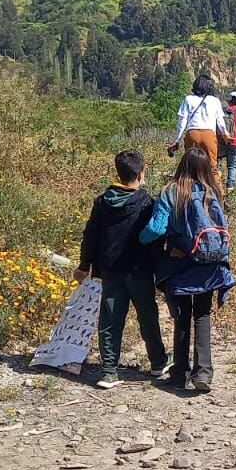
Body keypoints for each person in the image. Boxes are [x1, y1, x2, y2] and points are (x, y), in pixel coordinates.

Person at [140, 147, 236, 393]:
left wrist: (138, 239)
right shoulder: (212, 191)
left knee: (181, 317)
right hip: (208, 264)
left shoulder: (171, 192)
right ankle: (203, 372)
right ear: (205, 168)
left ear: (182, 164)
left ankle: (180, 373)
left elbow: (156, 229)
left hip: (179, 262)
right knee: (202, 314)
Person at [73, 150, 168, 389]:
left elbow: (90, 236)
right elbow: (156, 238)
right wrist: (162, 271)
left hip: (110, 270)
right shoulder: (146, 202)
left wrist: (84, 265)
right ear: (140, 173)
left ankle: (109, 372)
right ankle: (157, 362)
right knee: (148, 316)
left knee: (110, 320)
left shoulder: (102, 201)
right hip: (140, 271)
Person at [168, 73, 229, 168]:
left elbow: (182, 122)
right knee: (212, 166)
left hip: (192, 134)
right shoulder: (215, 101)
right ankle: (213, 182)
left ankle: (190, 182)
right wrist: (226, 135)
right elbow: (220, 122)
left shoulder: (188, 99)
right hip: (209, 134)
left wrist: (177, 140)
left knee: (190, 166)